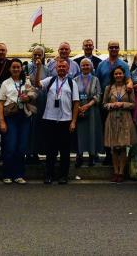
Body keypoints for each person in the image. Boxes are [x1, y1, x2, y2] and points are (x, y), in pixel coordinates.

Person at [35, 55, 80, 184]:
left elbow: (76, 103)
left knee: (65, 151)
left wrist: (73, 121)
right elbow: (37, 84)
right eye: (59, 66)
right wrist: (39, 68)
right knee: (50, 150)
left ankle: (63, 176)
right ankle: (49, 175)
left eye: (64, 67)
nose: (61, 68)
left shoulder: (72, 83)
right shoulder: (50, 80)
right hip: (50, 119)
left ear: (68, 69)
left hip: (66, 120)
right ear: (56, 68)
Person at [0, 58, 37, 184]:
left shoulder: (26, 81)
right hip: (10, 117)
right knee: (10, 146)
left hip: (24, 116)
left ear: (21, 68)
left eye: (18, 67)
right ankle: (7, 174)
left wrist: (28, 98)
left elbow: (34, 94)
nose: (16, 69)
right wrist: (2, 121)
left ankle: (19, 174)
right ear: (10, 69)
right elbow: (1, 103)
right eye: (13, 67)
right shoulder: (5, 83)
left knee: (22, 147)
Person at [103, 65, 137, 183]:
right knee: (113, 147)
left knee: (122, 147)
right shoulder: (108, 88)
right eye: (116, 74)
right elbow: (104, 104)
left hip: (125, 118)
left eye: (120, 73)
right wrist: (111, 105)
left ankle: (121, 172)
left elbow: (133, 104)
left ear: (124, 75)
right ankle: (115, 171)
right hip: (112, 118)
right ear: (113, 75)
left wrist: (122, 104)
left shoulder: (128, 88)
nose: (118, 75)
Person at [75, 58, 104, 167]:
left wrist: (88, 105)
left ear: (91, 66)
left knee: (92, 132)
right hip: (79, 109)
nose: (85, 67)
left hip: (92, 110)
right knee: (80, 133)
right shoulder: (75, 79)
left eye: (87, 65)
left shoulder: (95, 79)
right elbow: (73, 95)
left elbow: (98, 94)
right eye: (83, 65)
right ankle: (79, 155)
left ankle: (92, 155)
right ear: (80, 67)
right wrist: (79, 108)